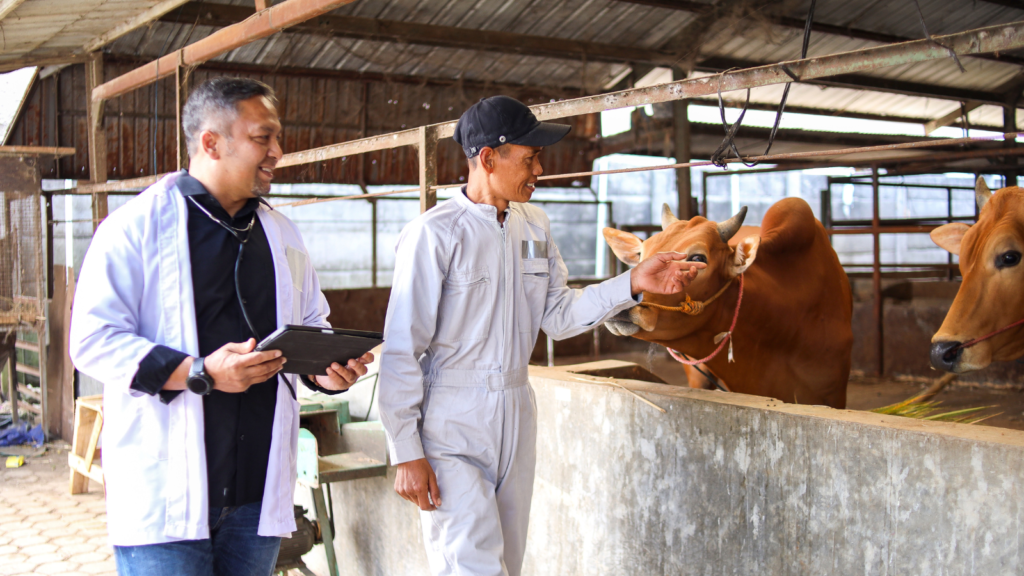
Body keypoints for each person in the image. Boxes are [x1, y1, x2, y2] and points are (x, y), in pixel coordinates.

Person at [378, 95, 705, 576]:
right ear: (488, 158)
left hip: (516, 405)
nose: (539, 169)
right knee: (470, 565)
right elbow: (403, 347)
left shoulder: (535, 225)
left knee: (508, 559)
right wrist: (406, 450)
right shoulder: (434, 234)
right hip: (452, 419)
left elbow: (558, 314)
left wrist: (633, 283)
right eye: (529, 158)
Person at [69, 77, 373, 576]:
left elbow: (312, 324)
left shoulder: (282, 233)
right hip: (166, 501)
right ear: (211, 142)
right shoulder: (135, 228)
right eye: (263, 138)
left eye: (277, 138)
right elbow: (93, 341)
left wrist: (325, 370)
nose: (278, 150)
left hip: (255, 501)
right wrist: (200, 372)